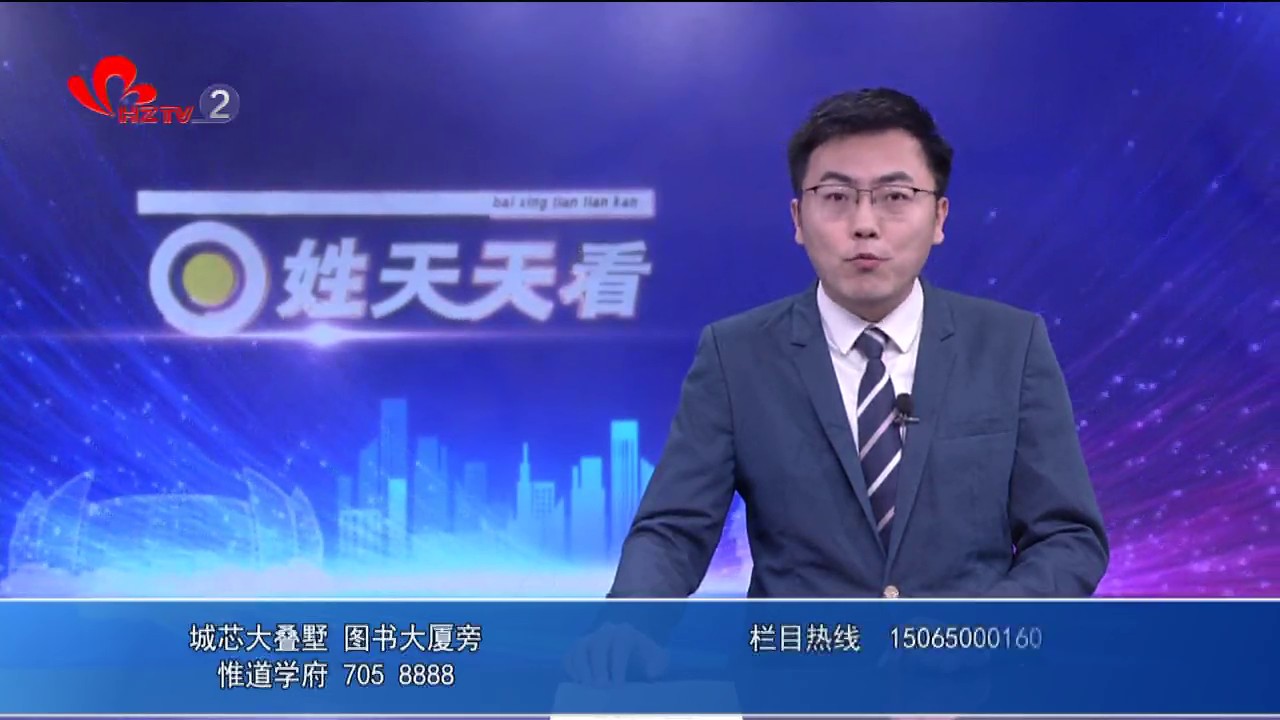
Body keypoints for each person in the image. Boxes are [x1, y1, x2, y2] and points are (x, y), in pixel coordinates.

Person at [609, 87, 1110, 601]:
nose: (865, 225)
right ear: (798, 219)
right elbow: (672, 534)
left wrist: (974, 629)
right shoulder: (736, 356)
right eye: (836, 197)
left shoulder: (1011, 346)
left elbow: (1067, 538)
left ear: (939, 218)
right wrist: (628, 624)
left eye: (895, 197)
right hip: (805, 650)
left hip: (969, 652)